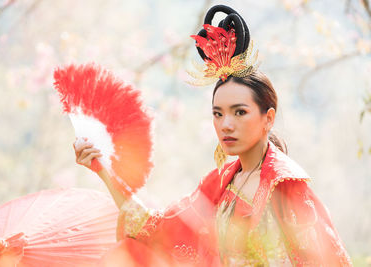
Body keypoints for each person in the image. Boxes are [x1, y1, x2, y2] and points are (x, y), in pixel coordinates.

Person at [73, 5, 352, 267]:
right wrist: (103, 170)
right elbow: (155, 230)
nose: (226, 125)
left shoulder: (286, 186)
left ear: (268, 117)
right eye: (218, 114)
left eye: (239, 112)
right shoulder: (218, 184)